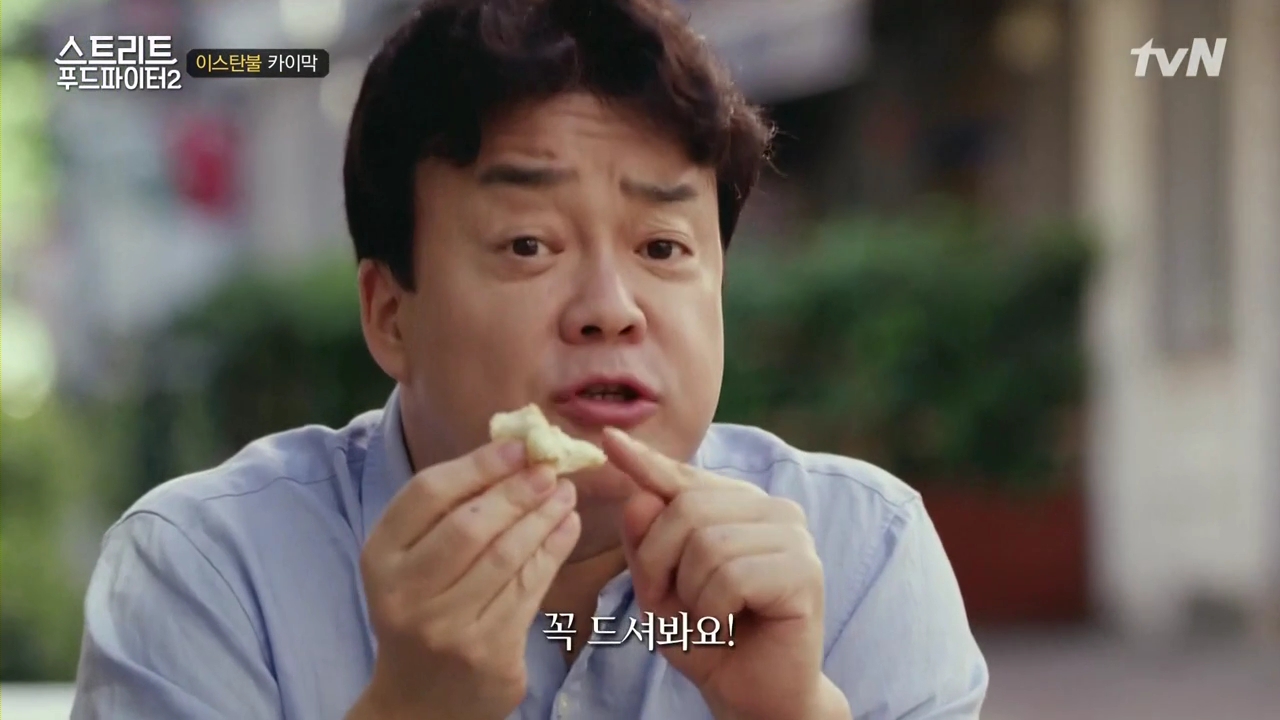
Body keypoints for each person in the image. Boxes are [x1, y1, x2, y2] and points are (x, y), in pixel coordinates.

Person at [71, 0, 988, 718]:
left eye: (662, 247)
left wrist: (791, 714)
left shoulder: (863, 554)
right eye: (527, 245)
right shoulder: (208, 574)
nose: (610, 309)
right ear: (390, 315)